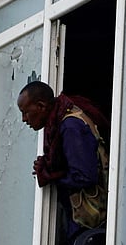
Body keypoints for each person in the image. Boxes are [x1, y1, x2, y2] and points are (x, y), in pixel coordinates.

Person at [16, 81, 110, 230]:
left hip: (89, 221)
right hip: (80, 219)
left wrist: (50, 175)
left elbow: (84, 175)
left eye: (25, 112)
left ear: (41, 106)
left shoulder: (71, 127)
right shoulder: (57, 124)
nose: (24, 119)